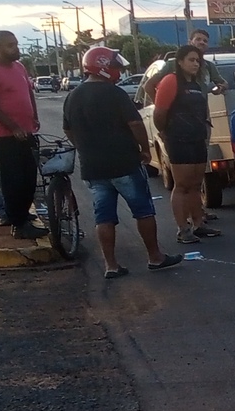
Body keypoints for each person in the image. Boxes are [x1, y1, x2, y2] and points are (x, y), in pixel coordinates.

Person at [62, 46, 183, 280]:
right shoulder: (114, 93)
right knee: (143, 211)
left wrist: (85, 147)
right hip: (124, 163)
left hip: (93, 168)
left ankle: (111, 265)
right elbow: (136, 125)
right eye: (115, 67)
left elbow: (68, 129)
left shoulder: (73, 96)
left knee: (104, 217)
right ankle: (155, 257)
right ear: (104, 67)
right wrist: (145, 150)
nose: (118, 72)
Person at [0, 30, 44, 241]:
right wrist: (14, 127)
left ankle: (24, 216)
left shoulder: (20, 67)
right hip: (6, 137)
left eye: (16, 44)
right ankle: (18, 224)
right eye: (10, 45)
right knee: (13, 181)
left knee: (29, 179)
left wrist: (33, 116)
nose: (16, 49)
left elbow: (28, 93)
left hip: (27, 132)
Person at [153, 44, 221, 246]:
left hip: (197, 139)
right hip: (179, 141)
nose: (195, 64)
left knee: (195, 184)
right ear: (180, 62)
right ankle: (183, 229)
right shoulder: (171, 81)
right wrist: (166, 133)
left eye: (198, 60)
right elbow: (159, 113)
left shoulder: (197, 85)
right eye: (191, 60)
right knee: (181, 185)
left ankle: (198, 223)